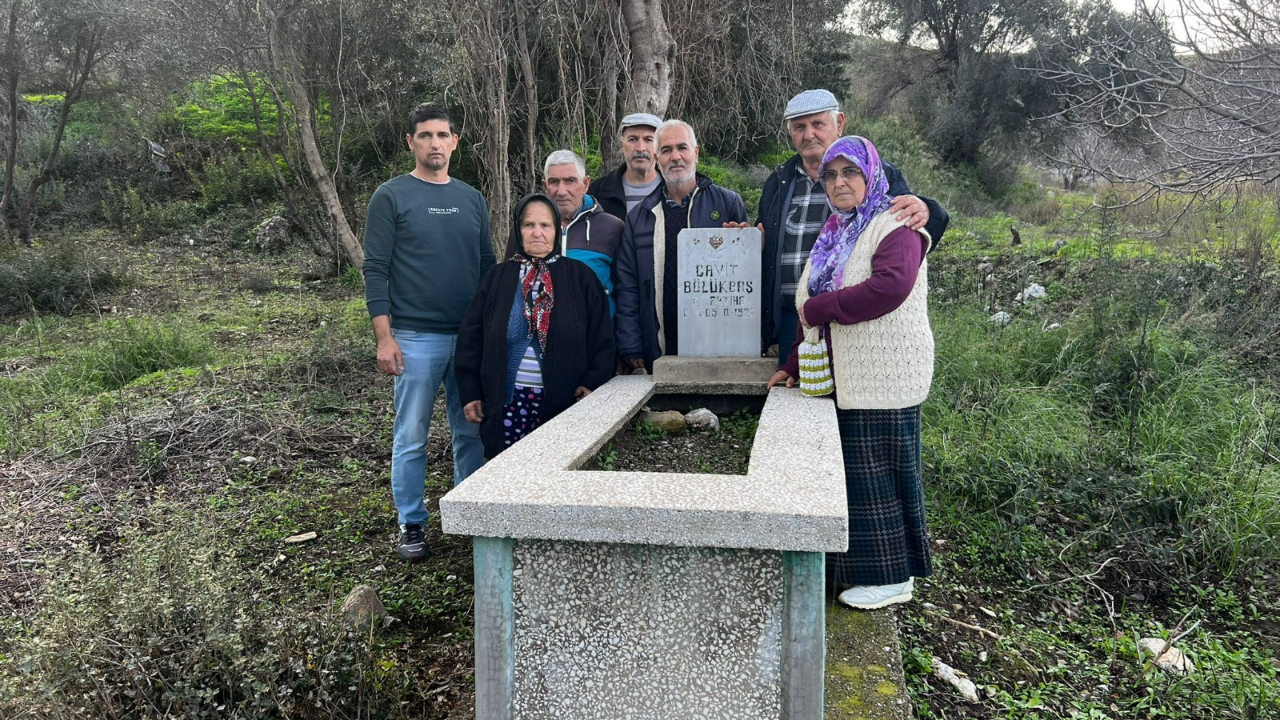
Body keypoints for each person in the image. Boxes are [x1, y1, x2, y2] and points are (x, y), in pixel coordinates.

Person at [769, 135, 935, 610]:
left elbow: (890, 287)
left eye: (850, 173)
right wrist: (793, 365)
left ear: (870, 177)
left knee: (880, 477)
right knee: (857, 479)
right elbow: (809, 310)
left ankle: (894, 576)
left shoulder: (896, 223)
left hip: (885, 376)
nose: (840, 182)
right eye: (831, 175)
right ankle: (863, 569)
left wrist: (826, 306)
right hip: (848, 376)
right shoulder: (836, 232)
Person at [363, 102, 493, 563]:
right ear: (411, 142)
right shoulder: (391, 196)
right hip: (415, 338)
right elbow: (375, 269)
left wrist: (488, 335)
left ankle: (470, 511)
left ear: (455, 142)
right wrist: (385, 337)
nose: (435, 143)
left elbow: (486, 268)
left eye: (443, 135)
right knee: (411, 434)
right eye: (425, 135)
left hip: (468, 338)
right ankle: (412, 522)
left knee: (470, 431)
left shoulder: (472, 198)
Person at [759, 89, 948, 359]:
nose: (809, 134)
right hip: (794, 318)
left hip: (860, 319)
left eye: (818, 124)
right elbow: (766, 234)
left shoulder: (875, 172)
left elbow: (906, 230)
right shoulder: (779, 181)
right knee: (802, 389)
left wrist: (929, 210)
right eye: (799, 127)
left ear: (840, 124)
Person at [455, 194, 616, 457]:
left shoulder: (581, 277)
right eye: (529, 225)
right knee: (507, 472)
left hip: (565, 403)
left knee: (553, 474)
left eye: (545, 225)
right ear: (518, 230)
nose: (537, 233)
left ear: (556, 231)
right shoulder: (497, 278)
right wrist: (470, 391)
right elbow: (471, 338)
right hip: (507, 403)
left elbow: (602, 336)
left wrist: (592, 382)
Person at [614, 119, 748, 372]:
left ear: (695, 153)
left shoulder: (728, 203)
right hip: (658, 343)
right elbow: (627, 285)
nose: (675, 157)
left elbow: (745, 279)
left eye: (682, 148)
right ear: (657, 158)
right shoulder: (640, 216)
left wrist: (751, 246)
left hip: (715, 341)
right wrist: (630, 343)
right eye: (666, 150)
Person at [510, 150, 624, 318]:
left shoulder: (611, 228)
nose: (561, 191)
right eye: (554, 182)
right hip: (537, 338)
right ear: (545, 186)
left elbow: (626, 292)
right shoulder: (526, 228)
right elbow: (510, 282)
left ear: (585, 184)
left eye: (570, 181)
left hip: (596, 336)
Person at [586, 113, 663, 221]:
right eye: (632, 139)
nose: (640, 148)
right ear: (622, 146)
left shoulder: (672, 190)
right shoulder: (597, 193)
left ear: (658, 147)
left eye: (648, 140)